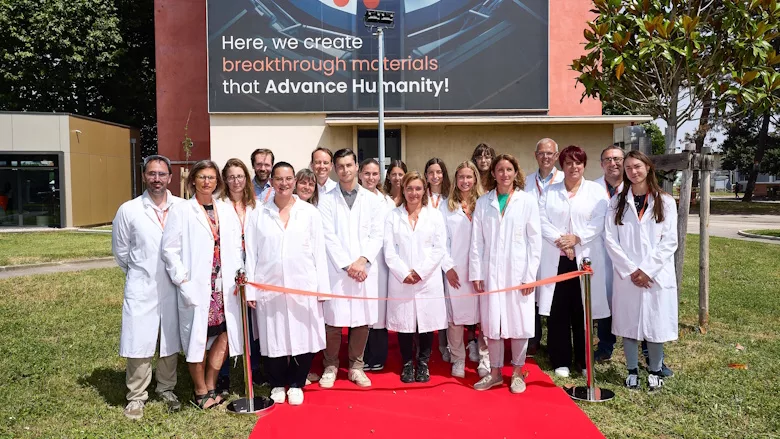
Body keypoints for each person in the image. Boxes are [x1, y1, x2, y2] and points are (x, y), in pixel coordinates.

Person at [162, 160, 245, 409]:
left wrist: (240, 272)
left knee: (224, 335)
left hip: (223, 287)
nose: (207, 182)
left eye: (211, 177)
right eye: (202, 177)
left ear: (217, 181)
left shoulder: (226, 209)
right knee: (196, 338)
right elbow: (169, 250)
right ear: (193, 181)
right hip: (197, 286)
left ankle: (211, 384)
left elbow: (237, 246)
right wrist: (182, 280)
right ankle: (199, 391)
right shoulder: (182, 210)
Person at [244, 162, 330, 405]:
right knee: (274, 337)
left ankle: (296, 382)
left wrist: (321, 289)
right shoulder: (258, 214)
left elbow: (318, 252)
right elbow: (251, 254)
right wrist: (250, 288)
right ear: (271, 180)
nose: (284, 183)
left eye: (288, 178)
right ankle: (276, 383)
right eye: (279, 179)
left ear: (294, 181)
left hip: (303, 286)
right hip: (268, 287)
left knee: (304, 335)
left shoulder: (309, 213)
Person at [112, 155, 183, 419]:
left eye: (161, 174)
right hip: (142, 285)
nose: (157, 179)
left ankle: (166, 388)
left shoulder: (182, 207)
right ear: (144, 176)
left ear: (170, 178)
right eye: (151, 174)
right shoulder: (129, 210)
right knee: (139, 340)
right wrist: (138, 272)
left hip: (172, 284)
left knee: (170, 337)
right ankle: (137, 396)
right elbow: (121, 251)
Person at [604, 151, 678, 391]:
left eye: (637, 166)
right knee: (628, 323)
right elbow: (610, 239)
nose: (633, 172)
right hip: (628, 275)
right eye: (628, 168)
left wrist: (646, 270)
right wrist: (631, 270)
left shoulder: (665, 201)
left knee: (655, 324)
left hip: (655, 275)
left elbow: (670, 241)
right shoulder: (617, 202)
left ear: (648, 168)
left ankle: (655, 370)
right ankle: (632, 370)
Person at [469, 154, 542, 393]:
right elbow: (476, 242)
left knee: (519, 322)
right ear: (493, 174)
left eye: (509, 169)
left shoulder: (527, 201)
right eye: (500, 170)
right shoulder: (483, 203)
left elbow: (535, 241)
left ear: (515, 172)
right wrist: (477, 273)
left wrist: (530, 275)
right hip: (491, 274)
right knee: (493, 324)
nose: (504, 174)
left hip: (519, 273)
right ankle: (496, 373)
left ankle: (519, 373)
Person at [538, 146, 610, 378]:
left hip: (584, 259)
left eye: (578, 162)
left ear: (584, 165)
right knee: (559, 310)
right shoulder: (550, 191)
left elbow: (599, 221)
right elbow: (541, 218)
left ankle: (583, 358)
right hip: (558, 259)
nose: (573, 167)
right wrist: (562, 241)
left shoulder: (596, 191)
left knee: (582, 310)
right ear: (562, 166)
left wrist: (577, 239)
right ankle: (560, 359)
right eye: (568, 163)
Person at [318, 148, 383, 388]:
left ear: (357, 167)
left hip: (364, 269)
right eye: (341, 166)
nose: (345, 170)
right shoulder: (326, 200)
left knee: (362, 320)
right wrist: (348, 265)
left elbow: (377, 234)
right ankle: (331, 365)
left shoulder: (372, 200)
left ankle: (356, 366)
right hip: (339, 270)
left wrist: (362, 261)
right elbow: (327, 236)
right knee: (334, 321)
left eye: (349, 165)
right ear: (336, 170)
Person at [384, 172, 447, 383]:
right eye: (409, 188)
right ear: (403, 190)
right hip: (402, 279)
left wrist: (420, 272)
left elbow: (439, 249)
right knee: (405, 325)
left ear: (425, 190)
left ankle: (423, 363)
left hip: (427, 280)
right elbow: (389, 250)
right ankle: (407, 364)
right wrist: (404, 273)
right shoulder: (393, 216)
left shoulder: (435, 215)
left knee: (426, 324)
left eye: (418, 188)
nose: (414, 193)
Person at [441, 161, 490, 379]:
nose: (465, 181)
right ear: (455, 179)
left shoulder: (486, 203)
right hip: (456, 270)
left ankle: (485, 358)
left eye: (469, 177)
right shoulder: (446, 206)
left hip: (482, 270)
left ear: (476, 179)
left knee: (485, 317)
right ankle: (458, 358)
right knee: (455, 318)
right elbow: (440, 241)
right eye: (461, 177)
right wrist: (448, 267)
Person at [215, 158, 257, 396]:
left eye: (239, 176)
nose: (236, 181)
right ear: (225, 179)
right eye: (231, 176)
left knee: (250, 324)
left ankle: (253, 370)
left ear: (246, 178)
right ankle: (223, 376)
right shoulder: (219, 204)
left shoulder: (256, 205)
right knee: (227, 324)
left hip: (250, 270)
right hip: (226, 272)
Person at [524, 138, 564, 355]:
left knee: (554, 297)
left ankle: (555, 343)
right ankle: (533, 339)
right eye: (541, 153)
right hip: (531, 247)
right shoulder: (525, 182)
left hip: (556, 249)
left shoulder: (564, 180)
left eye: (550, 153)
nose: (546, 157)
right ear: (535, 155)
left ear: (556, 156)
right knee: (531, 294)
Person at [359, 158, 396, 371]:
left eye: (374, 174)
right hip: (362, 262)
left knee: (379, 313)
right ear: (360, 175)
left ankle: (378, 358)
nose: (371, 178)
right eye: (367, 173)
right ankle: (360, 356)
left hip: (381, 263)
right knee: (363, 311)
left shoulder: (387, 202)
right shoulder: (355, 199)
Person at [592, 145, 625, 363]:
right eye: (607, 159)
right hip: (600, 254)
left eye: (617, 159)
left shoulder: (634, 188)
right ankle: (605, 346)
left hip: (627, 255)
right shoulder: (592, 188)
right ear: (601, 163)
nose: (612, 163)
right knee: (604, 300)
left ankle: (645, 349)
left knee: (631, 302)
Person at [424, 157, 451, 361]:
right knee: (426, 302)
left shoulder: (450, 197)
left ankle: (445, 344)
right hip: (426, 259)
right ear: (426, 175)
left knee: (447, 303)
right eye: (431, 172)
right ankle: (423, 345)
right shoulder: (419, 196)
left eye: (438, 172)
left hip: (447, 257)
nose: (435, 176)